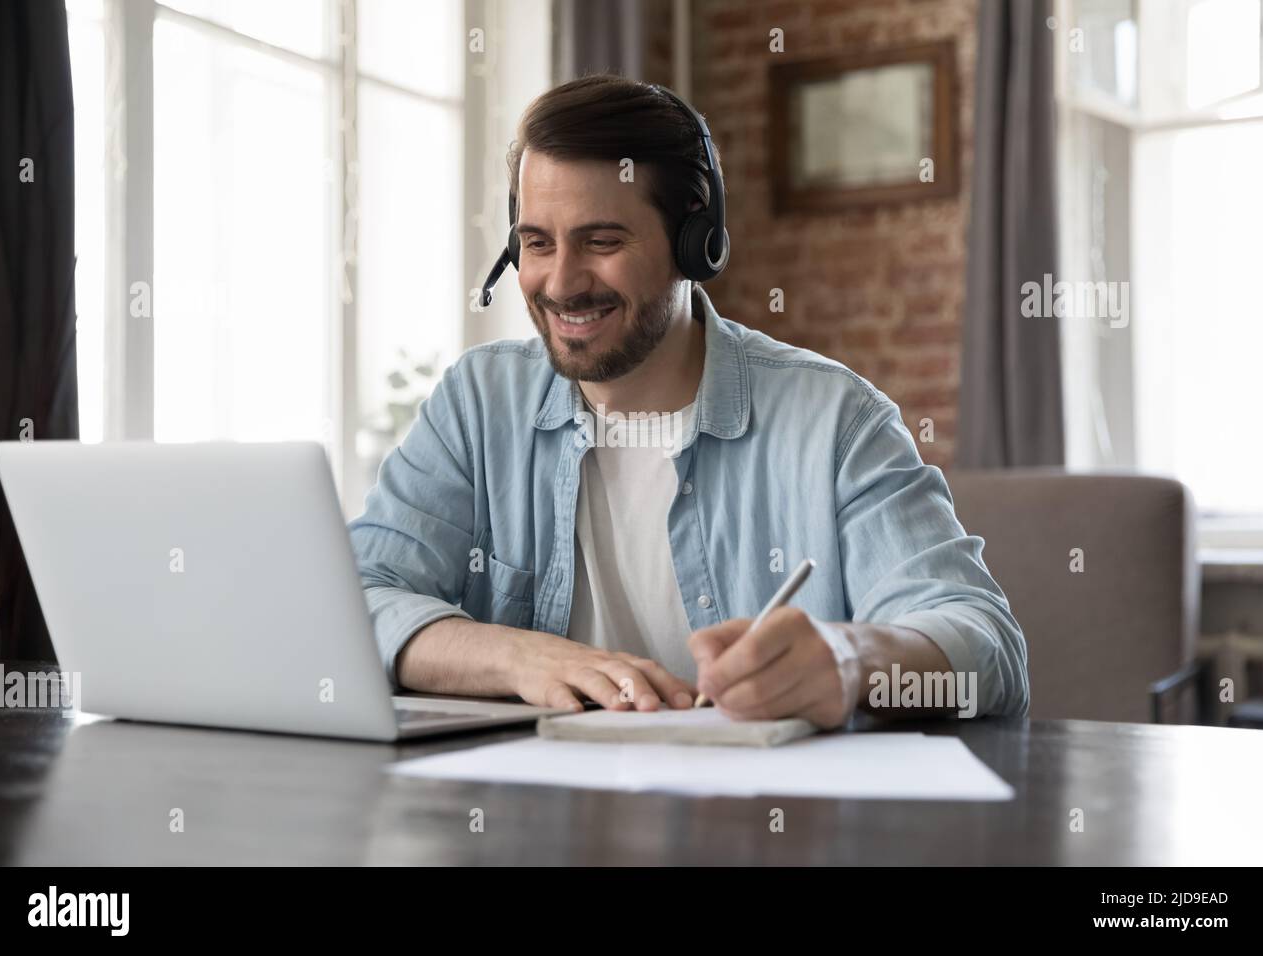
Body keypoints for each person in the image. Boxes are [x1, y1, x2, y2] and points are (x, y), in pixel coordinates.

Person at [348, 74, 1028, 730]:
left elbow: (985, 652)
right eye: (536, 243)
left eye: (602, 241)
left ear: (693, 245)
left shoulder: (835, 422)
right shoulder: (479, 403)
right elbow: (356, 600)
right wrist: (513, 655)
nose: (561, 283)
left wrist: (851, 663)